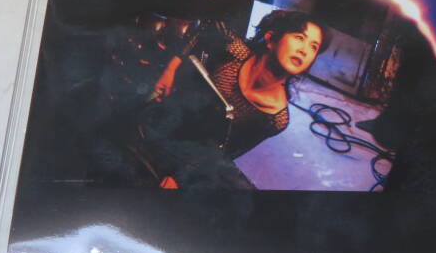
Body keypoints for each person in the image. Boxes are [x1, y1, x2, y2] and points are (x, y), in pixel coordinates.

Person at [137, 10, 325, 188]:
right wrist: (171, 69)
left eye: (313, 47)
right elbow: (206, 28)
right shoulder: (235, 51)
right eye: (300, 38)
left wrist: (181, 176)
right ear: (271, 39)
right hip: (168, 118)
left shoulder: (276, 118)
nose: (304, 50)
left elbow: (226, 152)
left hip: (192, 154)